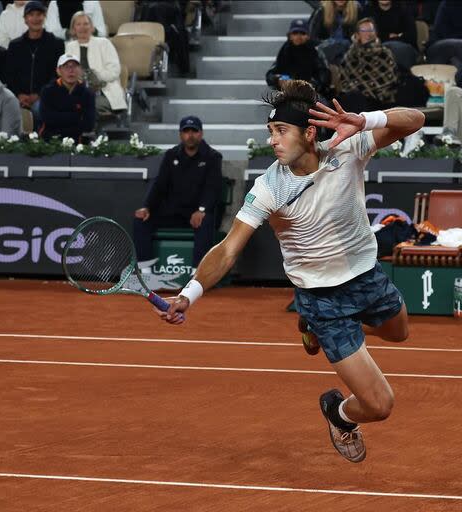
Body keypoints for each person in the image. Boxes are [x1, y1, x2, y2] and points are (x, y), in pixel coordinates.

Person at [158, 80, 424, 463]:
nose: (273, 140)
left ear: (310, 132)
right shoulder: (268, 188)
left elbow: (414, 119)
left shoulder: (346, 147)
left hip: (366, 275)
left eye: (281, 131)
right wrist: (189, 294)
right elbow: (228, 249)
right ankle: (339, 414)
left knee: (399, 332)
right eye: (270, 131)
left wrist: (364, 121)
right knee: (380, 404)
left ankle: (316, 332)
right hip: (321, 298)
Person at [133, 116, 223, 268]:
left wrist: (201, 210)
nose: (190, 135)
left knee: (205, 221)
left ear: (200, 133)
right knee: (141, 220)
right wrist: (147, 207)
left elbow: (212, 188)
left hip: (197, 213)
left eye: (194, 131)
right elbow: (159, 184)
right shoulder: (171, 155)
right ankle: (145, 271)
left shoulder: (212, 157)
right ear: (180, 134)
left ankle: (197, 274)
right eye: (186, 131)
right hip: (173, 212)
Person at [5, 1, 65, 123]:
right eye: (31, 15)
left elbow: (58, 74)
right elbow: (9, 75)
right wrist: (19, 94)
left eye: (39, 14)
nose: (35, 18)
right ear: (25, 19)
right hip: (18, 96)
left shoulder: (56, 44)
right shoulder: (15, 45)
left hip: (45, 95)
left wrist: (39, 94)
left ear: (44, 17)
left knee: (39, 110)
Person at [65, 11, 126, 116]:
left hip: (104, 92)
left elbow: (114, 71)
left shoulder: (104, 43)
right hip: (77, 92)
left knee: (85, 104)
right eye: (78, 24)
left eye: (86, 24)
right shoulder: (70, 47)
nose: (82, 27)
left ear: (92, 28)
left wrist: (95, 76)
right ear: (73, 29)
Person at [338, 17, 399, 113]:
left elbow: (391, 78)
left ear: (375, 33)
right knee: (351, 98)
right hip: (355, 96)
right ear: (357, 35)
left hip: (379, 97)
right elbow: (344, 79)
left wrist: (368, 91)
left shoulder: (384, 53)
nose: (368, 33)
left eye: (371, 30)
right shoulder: (351, 54)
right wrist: (358, 89)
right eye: (364, 30)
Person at [265, 19, 331, 97]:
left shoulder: (315, 51)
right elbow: (270, 75)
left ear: (308, 36)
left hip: (311, 94)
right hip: (288, 93)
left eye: (302, 33)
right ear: (290, 36)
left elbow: (324, 76)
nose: (298, 36)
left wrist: (309, 85)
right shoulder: (285, 50)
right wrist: (278, 79)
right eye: (295, 33)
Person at [39, 53, 95, 140]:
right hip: (52, 138)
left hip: (78, 139)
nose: (71, 70)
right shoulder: (48, 91)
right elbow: (48, 118)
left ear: (80, 70)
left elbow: (89, 124)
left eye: (74, 66)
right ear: (58, 71)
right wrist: (77, 116)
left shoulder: (88, 93)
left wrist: (60, 116)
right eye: (66, 67)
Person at [308, 0, 362, 64]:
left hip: (349, 49)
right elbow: (313, 37)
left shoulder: (356, 10)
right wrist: (326, 43)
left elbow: (362, 34)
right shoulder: (321, 11)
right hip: (327, 49)